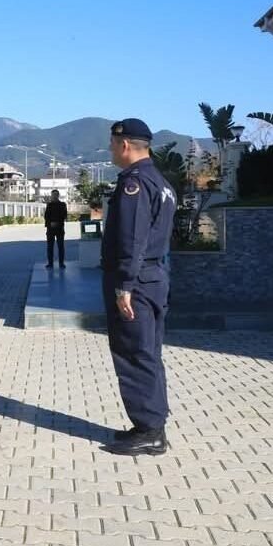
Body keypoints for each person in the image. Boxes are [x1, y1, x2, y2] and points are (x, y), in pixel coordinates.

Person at [100, 118, 177, 456]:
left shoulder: (135, 183)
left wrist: (124, 285)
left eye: (113, 144)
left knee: (134, 353)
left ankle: (150, 431)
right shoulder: (159, 181)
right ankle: (151, 421)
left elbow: (132, 238)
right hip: (154, 278)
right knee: (148, 352)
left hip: (137, 281)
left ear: (125, 145)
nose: (111, 149)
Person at [44, 189, 68, 269]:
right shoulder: (49, 205)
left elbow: (64, 215)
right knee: (50, 247)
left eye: (55, 195)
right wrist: (50, 223)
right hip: (50, 229)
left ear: (58, 195)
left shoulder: (63, 204)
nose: (54, 196)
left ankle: (61, 263)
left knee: (61, 246)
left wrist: (57, 222)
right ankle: (50, 263)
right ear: (51, 195)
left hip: (60, 228)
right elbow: (46, 216)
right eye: (53, 195)